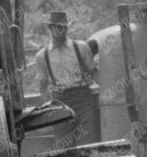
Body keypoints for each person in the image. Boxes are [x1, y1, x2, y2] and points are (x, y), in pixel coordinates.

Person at [24, 8, 99, 141]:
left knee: (89, 142)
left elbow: (94, 73)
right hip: (60, 102)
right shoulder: (42, 56)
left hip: (84, 99)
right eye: (56, 27)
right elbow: (43, 85)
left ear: (67, 28)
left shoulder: (81, 47)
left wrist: (106, 90)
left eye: (63, 27)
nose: (60, 30)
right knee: (64, 146)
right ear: (50, 29)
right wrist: (47, 109)